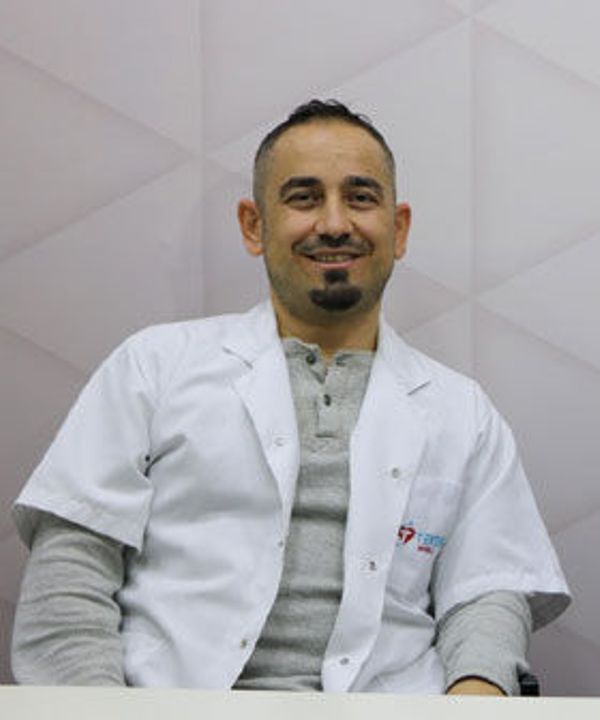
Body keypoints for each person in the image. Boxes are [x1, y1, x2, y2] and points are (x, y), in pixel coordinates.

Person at [10, 99, 569, 696]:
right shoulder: (153, 367)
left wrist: (475, 697)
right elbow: (71, 571)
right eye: (304, 198)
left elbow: (488, 594)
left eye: (360, 197)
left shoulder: (462, 411)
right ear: (254, 225)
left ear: (399, 228)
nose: (334, 223)